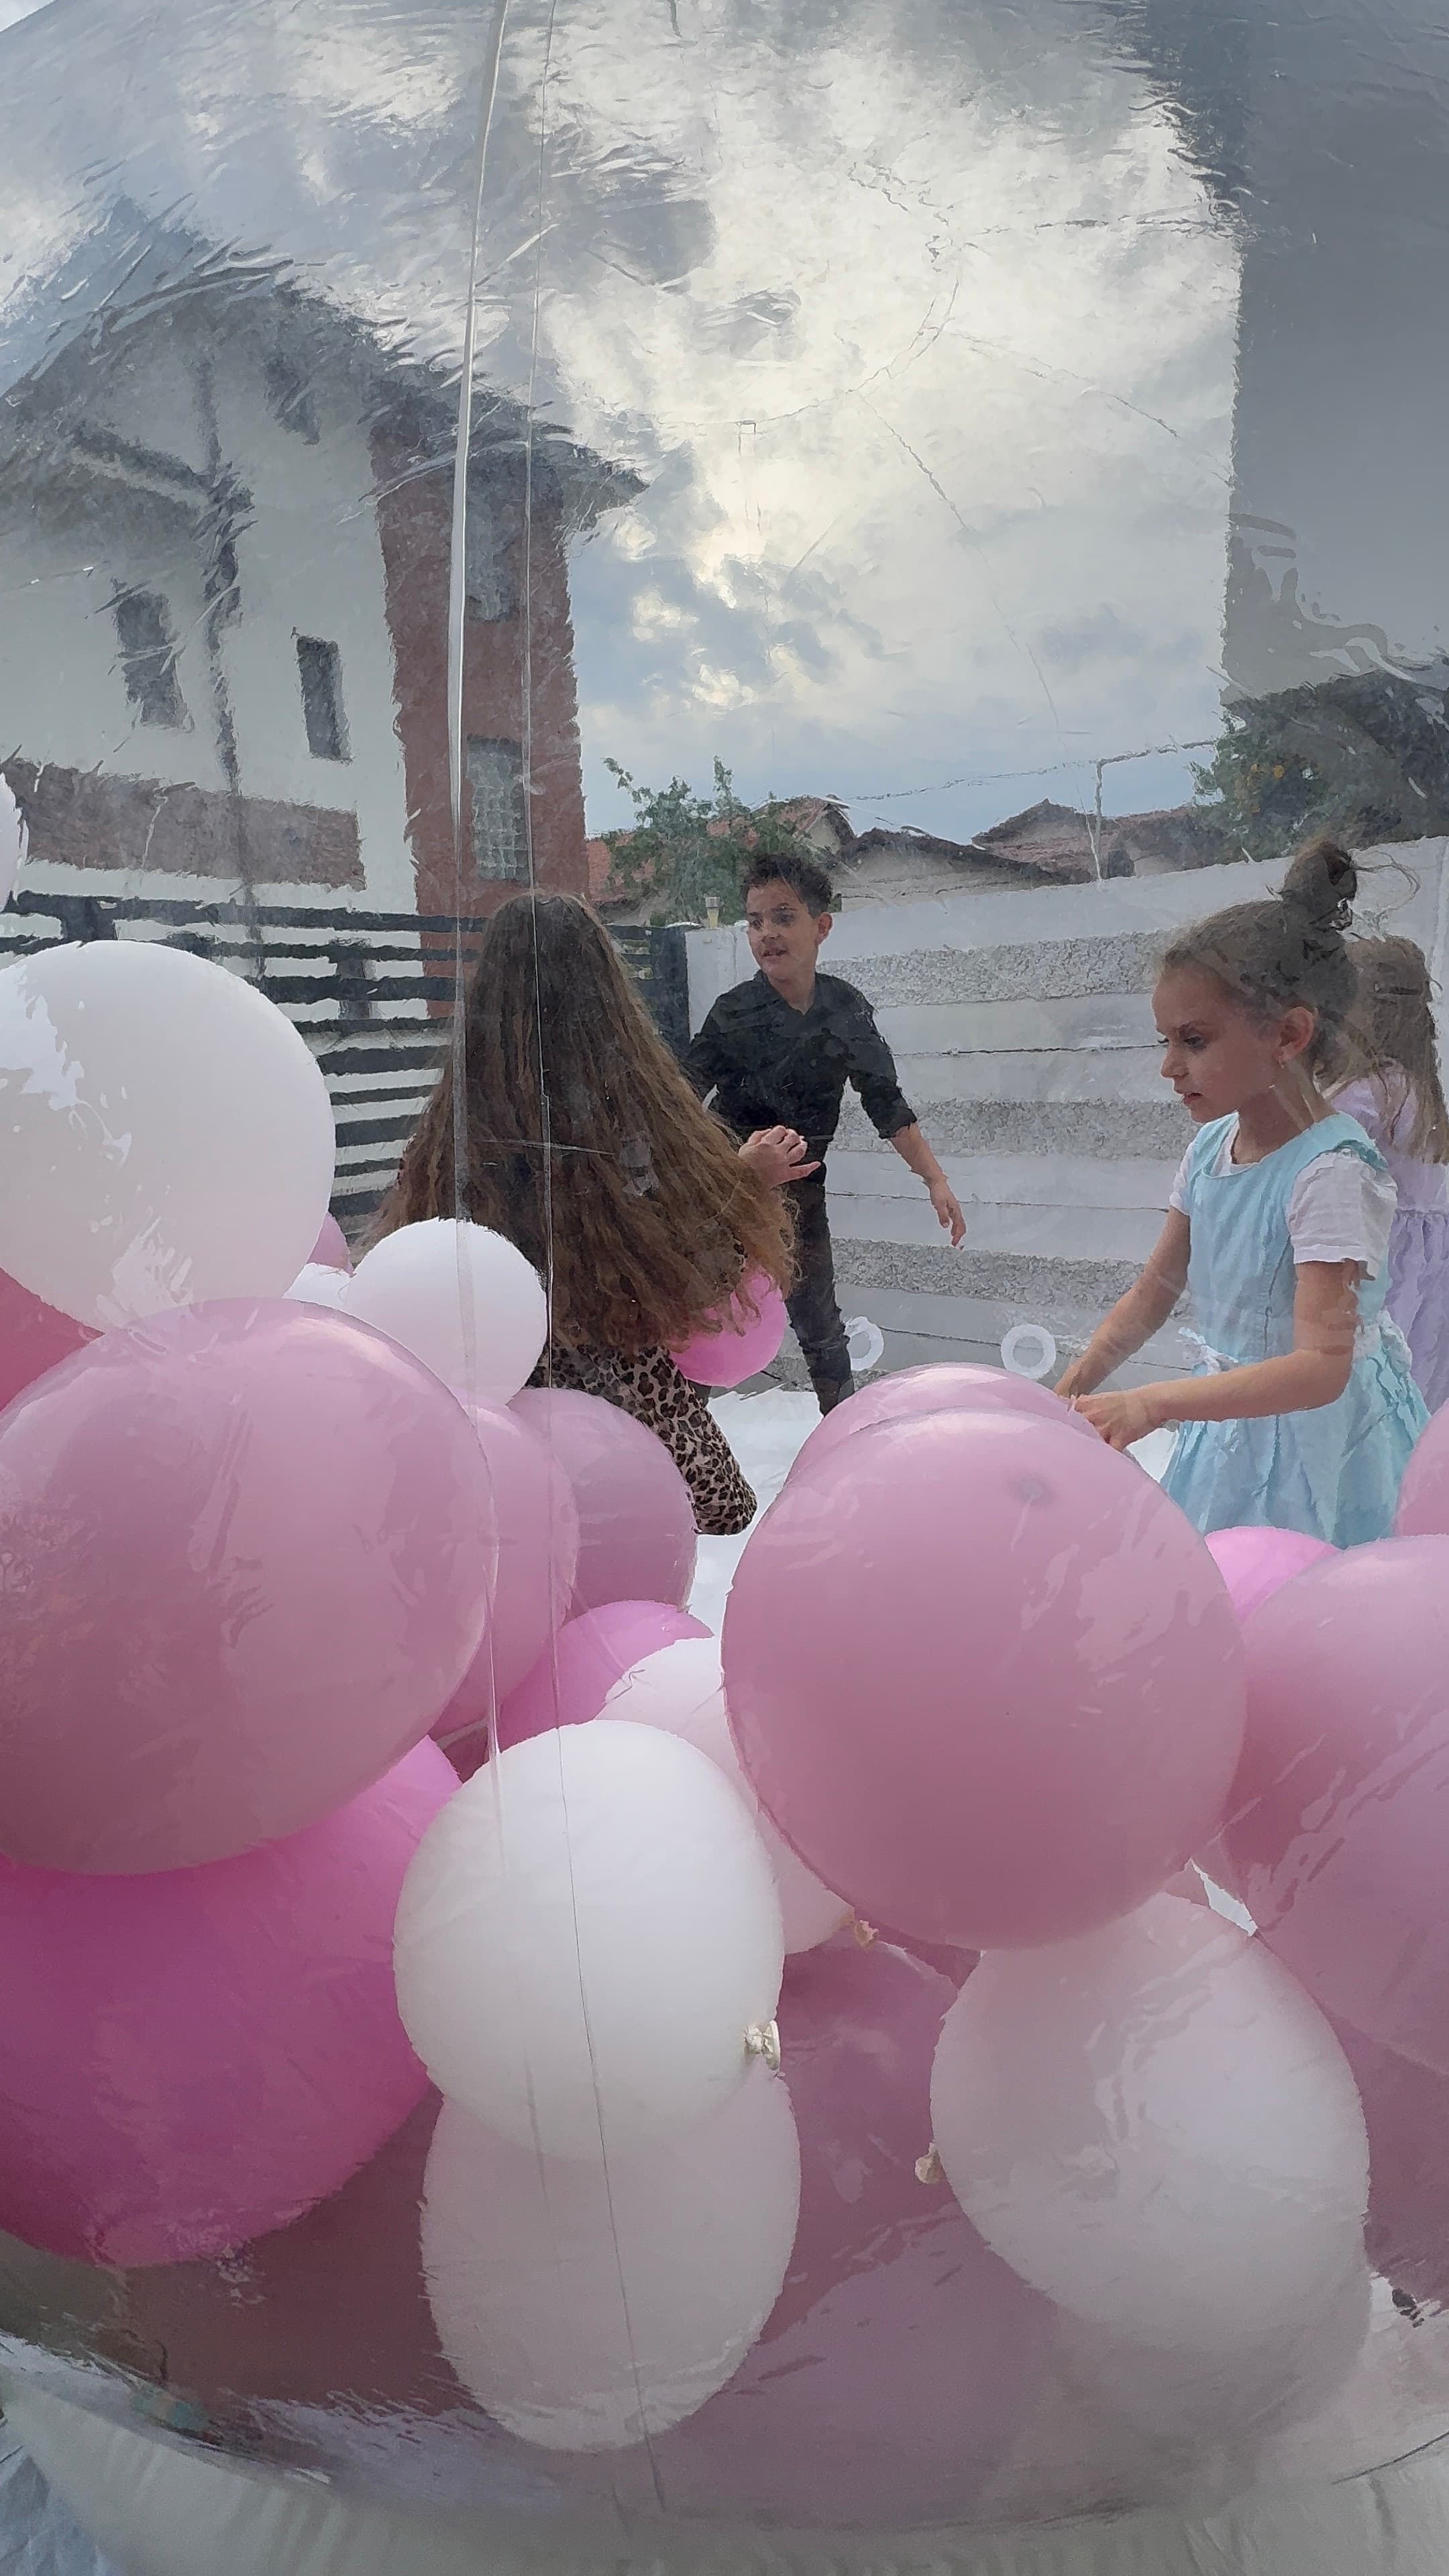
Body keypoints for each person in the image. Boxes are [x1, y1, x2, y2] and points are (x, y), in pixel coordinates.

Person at [374, 892, 802, 1536]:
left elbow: (414, 1253)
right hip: (612, 1383)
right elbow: (696, 1258)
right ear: (605, 987)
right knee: (699, 1510)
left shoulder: (453, 1125)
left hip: (482, 1399)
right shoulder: (629, 1112)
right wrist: (747, 1183)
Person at [1055, 839, 1427, 1546]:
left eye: (1193, 1040)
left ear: (1288, 1034)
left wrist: (1155, 1402)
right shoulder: (1208, 1148)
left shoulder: (1331, 1173)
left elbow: (1319, 1369)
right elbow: (1155, 1288)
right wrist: (1074, 1385)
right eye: (1165, 1040)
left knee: (1308, 1604)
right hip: (1234, 1432)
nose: (1168, 1066)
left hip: (1321, 1450)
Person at [684, 849, 965, 1413]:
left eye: (783, 917)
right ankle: (678, 1433)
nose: (767, 934)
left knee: (820, 1325)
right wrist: (718, 1171)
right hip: (730, 1194)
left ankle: (844, 1437)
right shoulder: (733, 1013)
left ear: (821, 926)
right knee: (709, 1321)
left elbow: (886, 1103)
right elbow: (679, 1101)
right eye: (755, 921)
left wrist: (935, 1179)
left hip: (801, 1195)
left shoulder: (845, 1010)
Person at [1330, 936, 1449, 1414]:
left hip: (1388, 1258)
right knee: (1423, 1369)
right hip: (1430, 1259)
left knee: (1379, 1380)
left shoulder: (1365, 1093)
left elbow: (1317, 1157)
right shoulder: (1421, 1090)